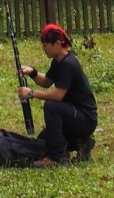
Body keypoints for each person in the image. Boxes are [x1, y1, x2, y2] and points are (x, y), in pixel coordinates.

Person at [18, 22, 98, 167]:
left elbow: (58, 95)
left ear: (57, 44)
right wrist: (33, 72)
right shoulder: (58, 61)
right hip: (72, 114)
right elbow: (47, 81)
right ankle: (82, 143)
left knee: (52, 106)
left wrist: (31, 93)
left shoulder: (68, 64)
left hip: (85, 118)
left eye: (45, 45)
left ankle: (57, 157)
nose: (43, 49)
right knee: (44, 139)